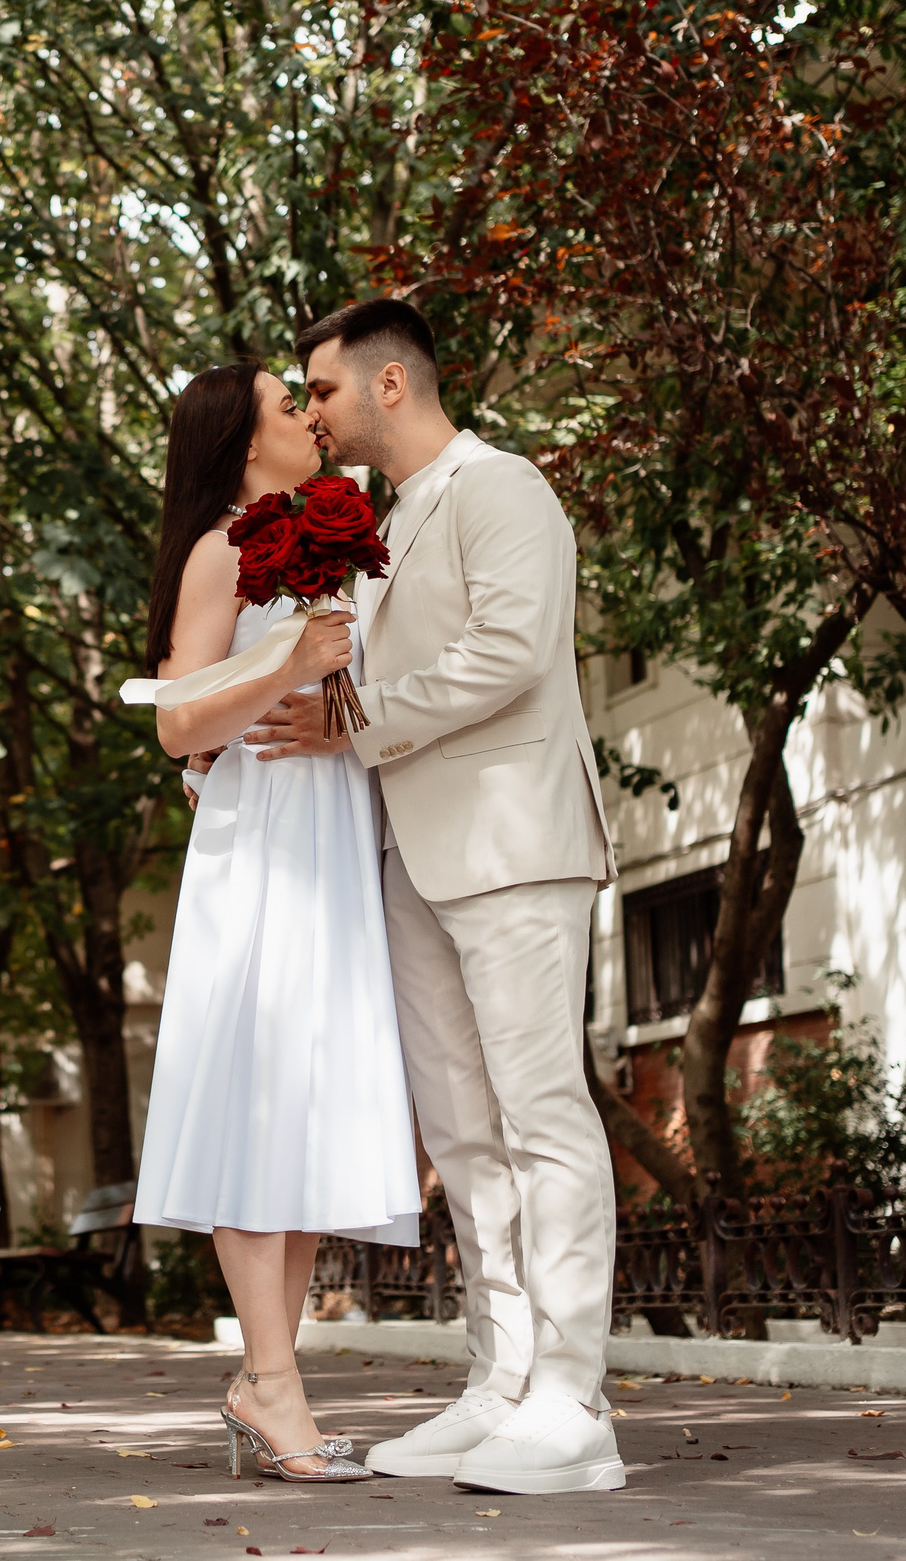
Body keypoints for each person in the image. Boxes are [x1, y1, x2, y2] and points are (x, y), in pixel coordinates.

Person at [248, 296, 623, 1495]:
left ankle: (573, 1402)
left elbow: (509, 653)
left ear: (389, 382)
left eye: (320, 388)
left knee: (539, 1116)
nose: (312, 410)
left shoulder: (500, 488)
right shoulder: (386, 521)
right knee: (462, 1135)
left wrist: (353, 720)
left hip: (512, 841)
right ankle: (501, 1381)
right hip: (409, 855)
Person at [132, 363, 424, 1485]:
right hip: (261, 843)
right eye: (287, 406)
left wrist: (328, 683)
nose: (310, 416)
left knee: (304, 1112)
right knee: (258, 1106)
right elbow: (177, 722)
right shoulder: (220, 547)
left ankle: (268, 1380)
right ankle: (273, 1381)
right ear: (245, 442)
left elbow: (324, 696)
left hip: (330, 833)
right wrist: (293, 664)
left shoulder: (320, 537)